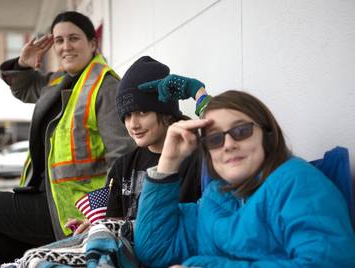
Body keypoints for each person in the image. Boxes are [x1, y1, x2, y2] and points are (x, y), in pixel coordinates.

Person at [0, 11, 135, 268]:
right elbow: (25, 88)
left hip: (74, 212)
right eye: (59, 40)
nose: (65, 46)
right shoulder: (59, 81)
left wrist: (103, 217)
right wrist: (23, 63)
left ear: (93, 44)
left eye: (73, 38)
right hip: (44, 200)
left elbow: (123, 158)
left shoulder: (105, 87)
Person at [134, 89, 355, 267]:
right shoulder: (214, 198)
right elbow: (155, 249)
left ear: (267, 135)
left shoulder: (296, 181)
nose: (229, 144)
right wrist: (169, 162)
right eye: (215, 139)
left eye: (241, 131)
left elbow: (327, 261)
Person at [66, 56, 202, 236]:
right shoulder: (122, 167)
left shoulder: (197, 158)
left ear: (167, 113)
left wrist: (198, 92)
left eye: (142, 112)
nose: (133, 124)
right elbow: (113, 224)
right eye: (127, 115)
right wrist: (95, 226)